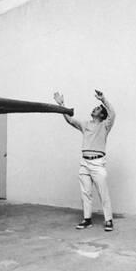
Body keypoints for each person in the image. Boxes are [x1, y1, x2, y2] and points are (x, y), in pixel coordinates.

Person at [53, 90, 116, 231]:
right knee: (85, 192)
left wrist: (103, 100)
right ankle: (87, 219)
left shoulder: (105, 125)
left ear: (102, 115)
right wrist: (62, 104)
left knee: (103, 193)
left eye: (98, 109)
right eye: (96, 107)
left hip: (98, 163)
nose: (94, 108)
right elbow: (69, 119)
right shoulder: (85, 124)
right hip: (84, 163)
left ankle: (109, 220)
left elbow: (112, 113)